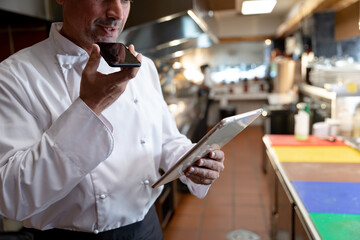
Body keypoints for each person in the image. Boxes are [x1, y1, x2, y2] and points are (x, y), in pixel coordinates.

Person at [0, 0, 225, 239]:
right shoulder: (14, 77)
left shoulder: (144, 66)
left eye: (125, 0)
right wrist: (89, 107)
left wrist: (194, 159)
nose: (117, 12)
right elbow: (11, 198)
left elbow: (167, 140)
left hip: (147, 227)